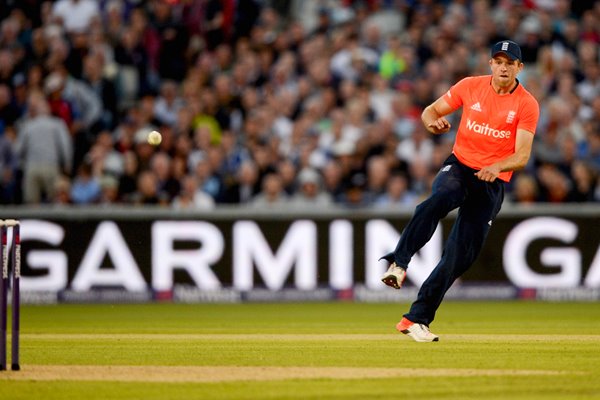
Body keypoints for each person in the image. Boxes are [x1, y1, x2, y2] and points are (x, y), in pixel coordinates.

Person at [380, 41, 539, 342]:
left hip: (492, 182)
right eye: (498, 61)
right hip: (461, 167)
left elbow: (522, 156)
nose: (503, 67)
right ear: (490, 64)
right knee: (440, 199)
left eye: (510, 62)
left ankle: (414, 319)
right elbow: (430, 111)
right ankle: (399, 263)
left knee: (458, 256)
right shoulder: (470, 86)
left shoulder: (526, 104)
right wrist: (432, 123)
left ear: (520, 68)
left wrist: (497, 166)